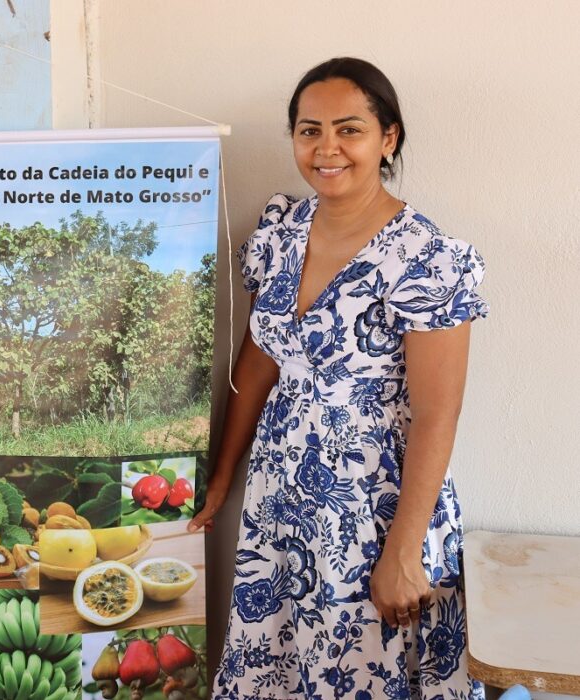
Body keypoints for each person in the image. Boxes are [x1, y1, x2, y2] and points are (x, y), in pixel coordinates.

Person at [189, 59, 487, 698]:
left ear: (389, 138)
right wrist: (222, 477)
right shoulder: (279, 236)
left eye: (348, 130)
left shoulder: (426, 259)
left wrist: (404, 553)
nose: (326, 149)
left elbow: (439, 413)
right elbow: (259, 365)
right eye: (308, 130)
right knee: (279, 666)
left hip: (375, 511)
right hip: (280, 504)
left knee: (362, 672)